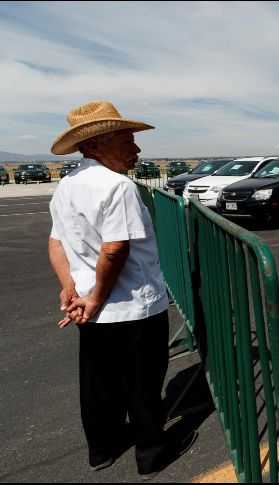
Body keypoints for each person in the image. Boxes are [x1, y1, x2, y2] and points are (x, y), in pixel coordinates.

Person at [48, 101, 195, 480]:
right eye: (127, 140)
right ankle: (152, 453)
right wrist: (95, 295)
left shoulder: (67, 184)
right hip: (133, 307)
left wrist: (71, 288)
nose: (137, 149)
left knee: (99, 384)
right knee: (143, 385)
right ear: (95, 144)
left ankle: (102, 449)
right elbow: (115, 248)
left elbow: (56, 242)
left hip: (88, 309)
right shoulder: (117, 186)